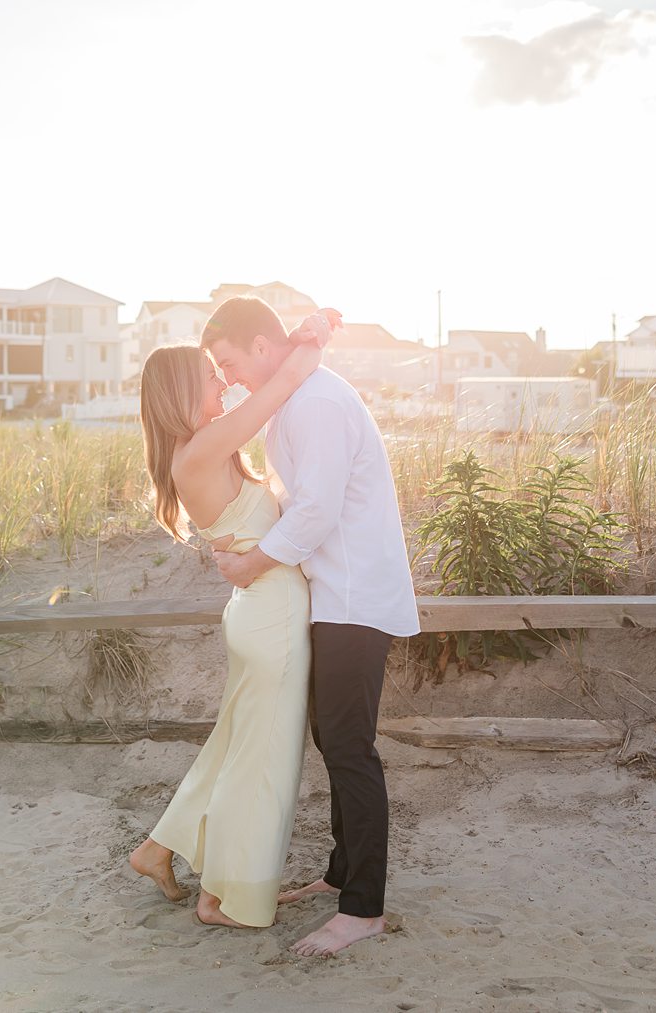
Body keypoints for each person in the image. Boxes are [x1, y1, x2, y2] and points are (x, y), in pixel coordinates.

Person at [201, 296, 420, 957]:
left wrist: (249, 564)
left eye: (231, 362)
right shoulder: (296, 398)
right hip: (335, 593)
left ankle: (364, 907)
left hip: (354, 594)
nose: (231, 377)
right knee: (334, 737)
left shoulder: (316, 402)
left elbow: (318, 509)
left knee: (351, 747)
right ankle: (339, 874)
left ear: (264, 347)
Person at [127, 311, 334, 929]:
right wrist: (313, 335)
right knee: (262, 764)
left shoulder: (201, 451)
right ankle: (224, 897)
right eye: (211, 380)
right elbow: (280, 387)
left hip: (262, 612)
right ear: (180, 395)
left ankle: (158, 849)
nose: (224, 388)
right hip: (270, 618)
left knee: (235, 749)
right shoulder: (200, 452)